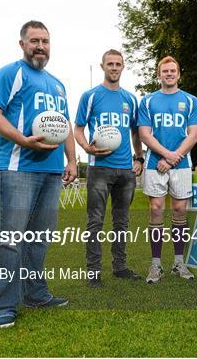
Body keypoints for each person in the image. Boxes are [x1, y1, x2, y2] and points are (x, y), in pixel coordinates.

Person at [0, 20, 77, 328]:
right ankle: (4, 305)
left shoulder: (58, 84)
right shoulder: (10, 73)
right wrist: (22, 140)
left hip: (50, 172)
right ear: (22, 44)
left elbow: (64, 127)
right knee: (11, 239)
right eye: (34, 40)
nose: (40, 46)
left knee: (39, 238)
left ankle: (35, 294)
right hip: (17, 168)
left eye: (45, 41)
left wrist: (72, 161)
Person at [74, 49, 144, 288]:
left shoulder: (131, 99)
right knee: (95, 221)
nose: (114, 68)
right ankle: (93, 272)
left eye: (118, 64)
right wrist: (86, 148)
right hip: (99, 169)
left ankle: (120, 266)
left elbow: (136, 132)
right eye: (110, 64)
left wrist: (139, 158)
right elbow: (78, 128)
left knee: (121, 222)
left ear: (123, 67)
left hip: (126, 171)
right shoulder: (90, 96)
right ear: (102, 66)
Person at [138, 56, 197, 283]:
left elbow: (194, 135)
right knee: (156, 209)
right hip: (156, 163)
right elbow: (145, 134)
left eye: (173, 70)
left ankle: (178, 263)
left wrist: (173, 158)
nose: (169, 74)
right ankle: (155, 265)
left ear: (179, 74)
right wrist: (166, 155)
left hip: (181, 164)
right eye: (165, 71)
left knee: (179, 211)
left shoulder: (191, 100)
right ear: (159, 74)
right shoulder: (147, 101)